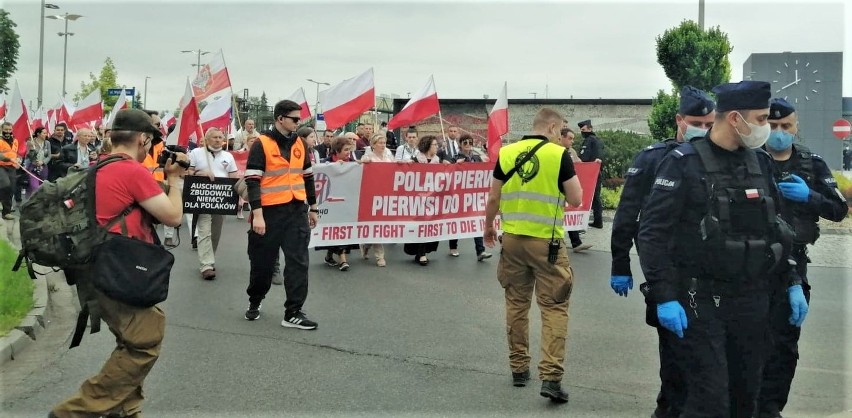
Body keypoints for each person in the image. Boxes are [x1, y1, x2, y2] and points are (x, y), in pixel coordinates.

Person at [637, 81, 808, 418]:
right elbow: (653, 234)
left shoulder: (760, 162)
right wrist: (664, 295)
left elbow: (777, 228)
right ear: (734, 119)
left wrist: (792, 280)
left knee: (746, 399)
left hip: (752, 301)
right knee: (709, 402)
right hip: (700, 302)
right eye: (761, 119)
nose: (765, 127)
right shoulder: (683, 163)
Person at [50, 108, 189, 418]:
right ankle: (74, 412)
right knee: (144, 340)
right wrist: (175, 181)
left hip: (95, 265)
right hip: (118, 268)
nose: (150, 150)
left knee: (131, 341)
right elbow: (173, 216)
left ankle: (126, 410)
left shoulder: (99, 166)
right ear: (142, 138)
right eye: (150, 143)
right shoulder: (131, 171)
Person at [609, 85, 715, 418]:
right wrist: (620, 263)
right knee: (675, 359)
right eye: (697, 122)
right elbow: (628, 215)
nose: (704, 129)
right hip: (666, 272)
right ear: (680, 120)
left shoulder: (719, 158)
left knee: (708, 361)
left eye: (711, 123)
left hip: (712, 275)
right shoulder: (653, 158)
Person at [756, 98, 848, 418]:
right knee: (748, 343)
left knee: (783, 347)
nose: (779, 132)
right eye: (772, 125)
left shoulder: (811, 164)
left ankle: (769, 409)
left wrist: (810, 197)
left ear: (796, 128)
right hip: (749, 264)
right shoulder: (747, 160)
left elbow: (838, 209)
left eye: (786, 126)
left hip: (794, 262)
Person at [483, 108, 582, 404]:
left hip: (512, 240)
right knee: (554, 307)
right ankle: (551, 378)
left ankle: (518, 370)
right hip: (547, 244)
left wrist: (489, 228)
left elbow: (493, 197)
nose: (562, 135)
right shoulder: (558, 155)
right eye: (561, 129)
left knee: (516, 303)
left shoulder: (507, 152)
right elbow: (576, 199)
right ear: (552, 127)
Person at [243, 99, 319, 330]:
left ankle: (293, 312)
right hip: (268, 213)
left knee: (298, 262)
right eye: (295, 119)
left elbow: (307, 178)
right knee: (262, 266)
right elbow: (253, 181)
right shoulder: (262, 144)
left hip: (296, 211)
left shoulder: (301, 145)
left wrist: (313, 207)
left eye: (299, 119)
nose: (298, 122)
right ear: (280, 119)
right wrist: (257, 215)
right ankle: (255, 300)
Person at [188, 127, 240, 280]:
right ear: (207, 139)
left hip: (221, 199)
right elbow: (188, 173)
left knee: (215, 232)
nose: (218, 140)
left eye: (220, 137)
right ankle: (206, 265)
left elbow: (233, 177)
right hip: (203, 198)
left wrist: (236, 197)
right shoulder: (196, 153)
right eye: (215, 137)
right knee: (204, 229)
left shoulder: (228, 156)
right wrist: (200, 173)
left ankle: (209, 257)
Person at [359, 132, 408, 267]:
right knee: (376, 224)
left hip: (386, 193)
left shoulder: (388, 155)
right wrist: (363, 162)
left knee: (382, 223)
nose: (382, 145)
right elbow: (359, 166)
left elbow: (395, 168)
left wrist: (400, 163)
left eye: (384, 143)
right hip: (372, 194)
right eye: (380, 143)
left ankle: (366, 243)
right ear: (373, 145)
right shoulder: (368, 156)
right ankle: (379, 255)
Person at [446, 134, 493, 261]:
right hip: (458, 195)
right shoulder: (456, 157)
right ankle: (453, 246)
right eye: (465, 142)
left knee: (476, 222)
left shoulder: (477, 158)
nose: (468, 144)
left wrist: (486, 163)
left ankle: (480, 251)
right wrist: (455, 164)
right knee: (456, 221)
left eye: (470, 142)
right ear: (460, 144)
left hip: (474, 196)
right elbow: (447, 172)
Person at [316, 135, 360, 271]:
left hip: (346, 203)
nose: (348, 152)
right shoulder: (326, 162)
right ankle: (342, 260)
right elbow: (319, 171)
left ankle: (332, 256)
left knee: (342, 230)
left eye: (349, 149)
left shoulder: (353, 163)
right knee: (333, 230)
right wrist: (334, 166)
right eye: (346, 150)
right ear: (337, 151)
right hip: (331, 204)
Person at [402, 135, 446, 265]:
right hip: (419, 200)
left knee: (430, 226)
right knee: (420, 225)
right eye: (434, 145)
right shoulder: (416, 160)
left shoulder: (438, 161)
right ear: (428, 146)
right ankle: (420, 253)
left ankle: (424, 252)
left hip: (433, 200)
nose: (437, 147)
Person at [558, 127, 593, 254]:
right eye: (570, 138)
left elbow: (580, 165)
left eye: (573, 139)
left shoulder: (571, 151)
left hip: (567, 188)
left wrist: (594, 164)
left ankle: (576, 243)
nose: (572, 141)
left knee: (569, 213)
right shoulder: (554, 150)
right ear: (561, 137)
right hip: (557, 189)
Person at [578, 119, 604, 228]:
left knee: (595, 197)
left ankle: (598, 221)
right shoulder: (589, 139)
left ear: (590, 128)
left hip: (593, 173)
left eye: (584, 129)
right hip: (589, 172)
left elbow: (590, 157)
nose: (582, 132)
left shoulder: (593, 140)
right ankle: (597, 221)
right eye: (581, 130)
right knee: (592, 197)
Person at [0, 122, 21, 219]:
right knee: (5, 184)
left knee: (11, 188)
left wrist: (19, 160)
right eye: (6, 129)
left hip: (12, 167)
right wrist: (8, 159)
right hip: (1, 167)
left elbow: (17, 153)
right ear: (1, 129)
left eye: (9, 130)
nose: (8, 132)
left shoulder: (15, 141)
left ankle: (6, 212)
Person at [25, 127, 52, 195]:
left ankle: (39, 203)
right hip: (33, 167)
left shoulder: (47, 143)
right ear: (38, 134)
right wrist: (31, 150)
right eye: (44, 133)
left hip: (43, 167)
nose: (46, 134)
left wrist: (43, 162)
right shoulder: (31, 142)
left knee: (41, 187)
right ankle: (32, 202)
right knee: (35, 187)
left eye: (46, 133)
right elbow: (28, 156)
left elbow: (49, 156)